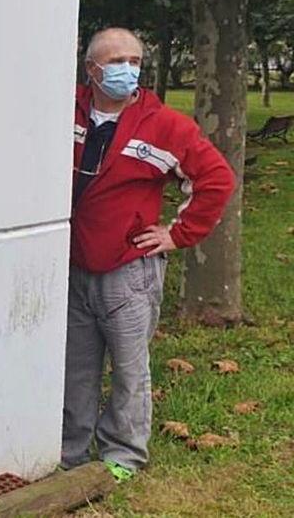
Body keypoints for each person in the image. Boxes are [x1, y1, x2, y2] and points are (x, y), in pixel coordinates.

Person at [64, 27, 234, 481]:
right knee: (74, 365)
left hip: (128, 270)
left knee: (128, 367)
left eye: (135, 62)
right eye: (115, 61)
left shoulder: (165, 126)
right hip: (74, 264)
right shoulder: (66, 110)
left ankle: (123, 455)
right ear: (91, 69)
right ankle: (70, 451)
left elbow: (216, 179)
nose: (126, 70)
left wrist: (178, 235)